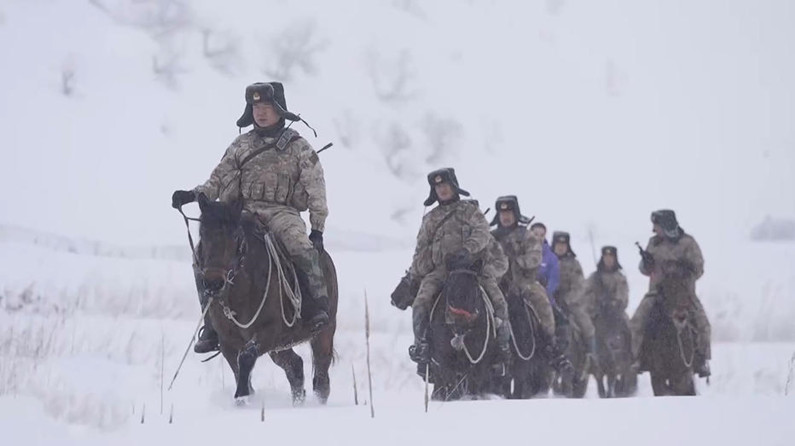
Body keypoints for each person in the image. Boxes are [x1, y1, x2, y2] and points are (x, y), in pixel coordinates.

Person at [171, 82, 330, 353]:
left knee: (300, 247)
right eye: (256, 107)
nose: (261, 113)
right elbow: (218, 178)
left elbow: (316, 188)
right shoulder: (240, 145)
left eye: (267, 107)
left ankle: (315, 307)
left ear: (279, 109)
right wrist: (193, 194)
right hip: (241, 213)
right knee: (203, 256)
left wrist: (317, 228)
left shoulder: (299, 147)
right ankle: (211, 326)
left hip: (282, 213)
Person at [406, 168, 511, 368]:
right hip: (440, 273)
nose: (442, 190)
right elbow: (419, 253)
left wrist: (466, 252)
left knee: (499, 302)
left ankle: (502, 350)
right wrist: (430, 262)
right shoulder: (429, 219)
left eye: (445, 185)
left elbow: (482, 233)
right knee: (421, 302)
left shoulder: (470, 211)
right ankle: (421, 346)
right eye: (438, 187)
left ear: (454, 186)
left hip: (472, 271)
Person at [490, 196, 573, 374]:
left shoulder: (526, 235)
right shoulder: (492, 237)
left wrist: (518, 260)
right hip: (497, 284)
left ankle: (551, 346)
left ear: (516, 214)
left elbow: (536, 257)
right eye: (502, 213)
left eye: (509, 212)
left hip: (523, 283)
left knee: (541, 301)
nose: (505, 217)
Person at [629, 210, 711, 377]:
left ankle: (702, 360)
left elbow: (699, 269)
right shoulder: (653, 243)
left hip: (684, 293)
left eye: (656, 226)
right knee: (636, 323)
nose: (654, 230)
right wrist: (646, 264)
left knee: (703, 324)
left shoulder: (688, 243)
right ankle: (636, 358)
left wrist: (684, 269)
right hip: (657, 293)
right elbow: (644, 270)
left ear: (666, 225)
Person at [552, 231, 597, 360]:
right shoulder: (547, 260)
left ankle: (591, 355)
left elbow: (580, 285)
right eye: (558, 244)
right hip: (549, 301)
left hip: (569, 304)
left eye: (563, 244)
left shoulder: (574, 264)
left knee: (586, 324)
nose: (560, 247)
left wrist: (568, 300)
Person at [530, 222, 560, 305]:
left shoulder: (551, 257)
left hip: (544, 299)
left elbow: (554, 279)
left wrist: (545, 293)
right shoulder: (522, 252)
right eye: (536, 234)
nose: (539, 238)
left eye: (542, 235)